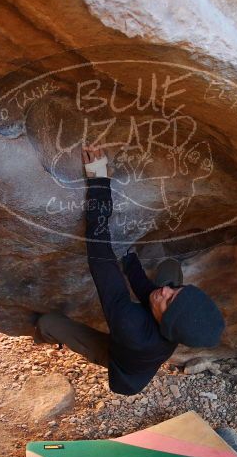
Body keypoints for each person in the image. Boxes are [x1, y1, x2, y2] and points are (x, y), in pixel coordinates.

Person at [35, 146, 225, 395]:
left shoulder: (130, 324)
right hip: (147, 340)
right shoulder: (177, 324)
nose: (165, 291)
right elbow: (151, 294)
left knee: (47, 323)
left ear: (169, 324)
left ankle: (43, 336)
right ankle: (169, 295)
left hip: (121, 362)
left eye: (169, 300)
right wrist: (130, 260)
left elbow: (99, 252)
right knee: (170, 269)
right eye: (176, 292)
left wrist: (99, 179)